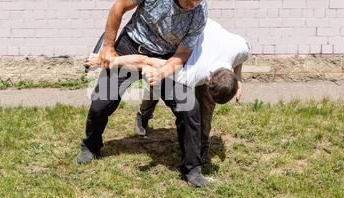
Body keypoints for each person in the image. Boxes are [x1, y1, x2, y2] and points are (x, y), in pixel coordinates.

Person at [77, 0, 214, 188]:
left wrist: (162, 72)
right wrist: (109, 46)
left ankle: (192, 168)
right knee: (101, 103)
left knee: (189, 107)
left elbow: (181, 55)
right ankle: (91, 146)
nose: (193, 5)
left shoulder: (200, 13)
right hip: (130, 46)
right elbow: (119, 6)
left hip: (164, 58)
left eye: (199, 0)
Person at [85, 18, 252, 166]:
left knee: (204, 107)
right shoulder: (191, 73)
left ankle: (201, 146)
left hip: (209, 49)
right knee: (157, 82)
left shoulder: (240, 48)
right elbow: (145, 60)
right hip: (186, 43)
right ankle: (144, 114)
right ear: (208, 79)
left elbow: (240, 57)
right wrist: (105, 60)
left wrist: (238, 78)